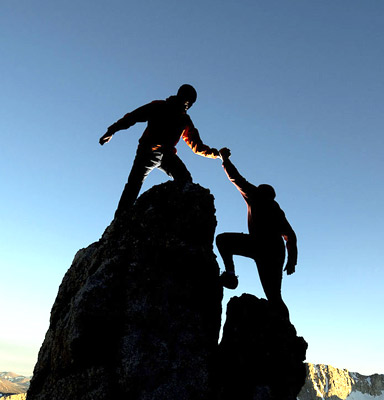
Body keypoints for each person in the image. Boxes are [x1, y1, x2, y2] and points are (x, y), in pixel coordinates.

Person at [99, 84, 220, 215]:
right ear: (182, 97)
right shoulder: (159, 106)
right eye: (188, 101)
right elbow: (133, 117)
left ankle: (173, 215)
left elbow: (197, 146)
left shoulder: (185, 120)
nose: (189, 105)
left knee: (185, 180)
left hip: (167, 155)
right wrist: (112, 130)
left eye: (191, 103)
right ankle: (120, 219)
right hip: (147, 153)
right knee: (133, 185)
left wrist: (216, 154)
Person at [216, 147, 297, 318]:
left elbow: (235, 178)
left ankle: (230, 274)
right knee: (274, 296)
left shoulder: (256, 196)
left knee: (223, 241)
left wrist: (224, 158)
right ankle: (285, 329)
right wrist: (291, 260)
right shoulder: (276, 209)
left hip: (259, 245)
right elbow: (291, 235)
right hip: (275, 252)